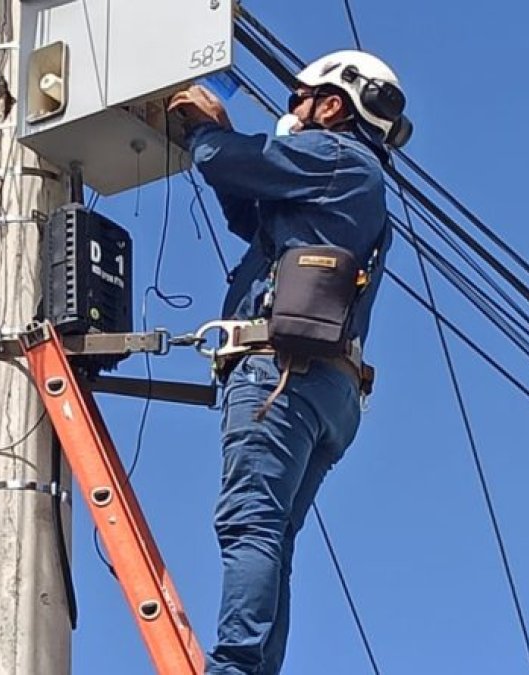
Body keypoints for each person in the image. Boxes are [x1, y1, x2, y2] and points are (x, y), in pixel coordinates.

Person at [168, 50, 411, 675]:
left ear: (331, 105)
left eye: (299, 97)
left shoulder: (332, 156)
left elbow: (228, 160)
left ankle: (235, 668)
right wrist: (216, 145)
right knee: (272, 538)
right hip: (327, 387)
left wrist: (205, 127)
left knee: (250, 528)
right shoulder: (348, 179)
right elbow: (253, 212)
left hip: (281, 376)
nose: (291, 109)